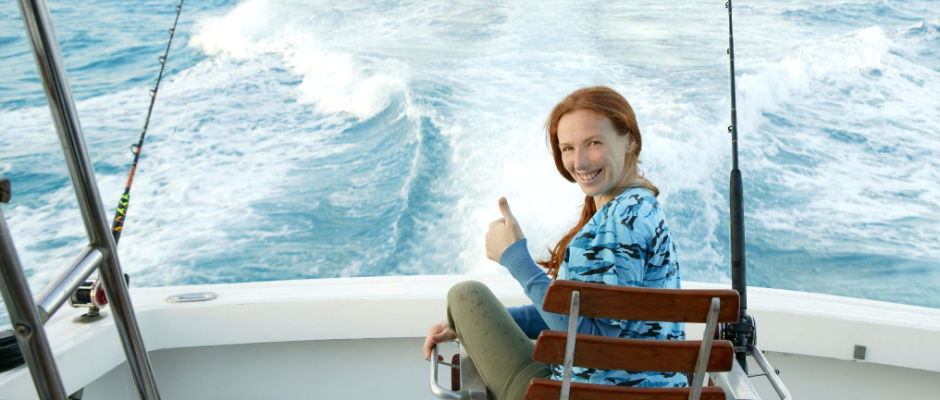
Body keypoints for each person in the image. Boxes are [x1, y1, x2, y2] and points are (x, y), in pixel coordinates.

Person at [423, 86, 687, 400]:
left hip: (582, 393)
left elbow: (593, 344)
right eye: (567, 148)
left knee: (465, 295)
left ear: (629, 139)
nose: (579, 162)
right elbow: (582, 316)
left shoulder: (618, 225)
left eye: (594, 143)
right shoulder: (641, 206)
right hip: (652, 390)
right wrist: (481, 325)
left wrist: (516, 259)